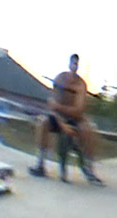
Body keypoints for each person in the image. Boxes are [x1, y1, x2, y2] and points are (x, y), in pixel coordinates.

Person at [28, 54, 104, 185]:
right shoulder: (60, 78)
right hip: (58, 117)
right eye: (73, 63)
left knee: (88, 129)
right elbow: (52, 104)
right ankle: (40, 164)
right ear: (69, 64)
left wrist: (61, 109)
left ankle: (89, 168)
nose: (74, 66)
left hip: (75, 118)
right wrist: (61, 122)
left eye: (77, 64)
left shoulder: (81, 84)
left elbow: (78, 110)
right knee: (43, 122)